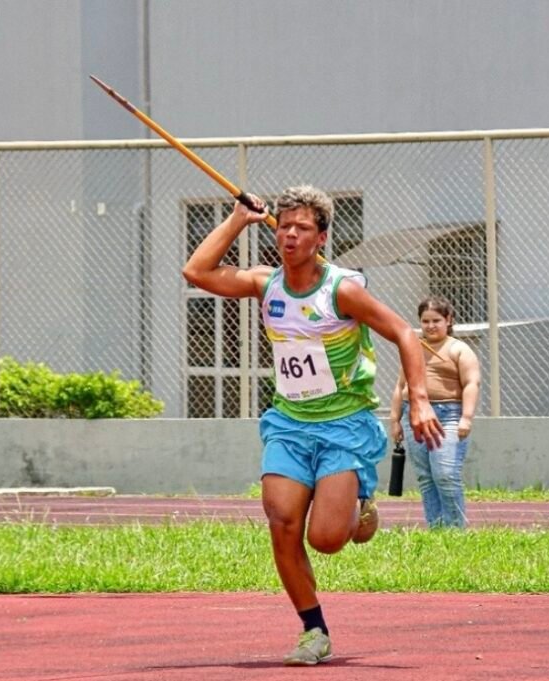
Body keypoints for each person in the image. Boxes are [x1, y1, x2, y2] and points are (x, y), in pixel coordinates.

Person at [182, 185, 443, 666]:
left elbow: (404, 333)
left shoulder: (341, 291)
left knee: (325, 539)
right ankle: (313, 629)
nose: (290, 235)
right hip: (289, 423)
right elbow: (197, 272)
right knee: (282, 522)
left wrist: (420, 401)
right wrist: (238, 219)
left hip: (343, 425)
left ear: (321, 237)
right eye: (284, 226)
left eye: (302, 228)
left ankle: (360, 503)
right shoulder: (266, 284)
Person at [389, 295, 481, 529]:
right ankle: (436, 527)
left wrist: (466, 418)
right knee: (426, 476)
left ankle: (455, 529)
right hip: (414, 416)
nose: (430, 326)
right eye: (425, 321)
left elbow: (472, 383)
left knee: (445, 473)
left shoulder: (459, 349)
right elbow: (400, 386)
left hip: (448, 416)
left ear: (448, 320)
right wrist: (395, 420)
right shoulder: (413, 348)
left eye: (436, 320)